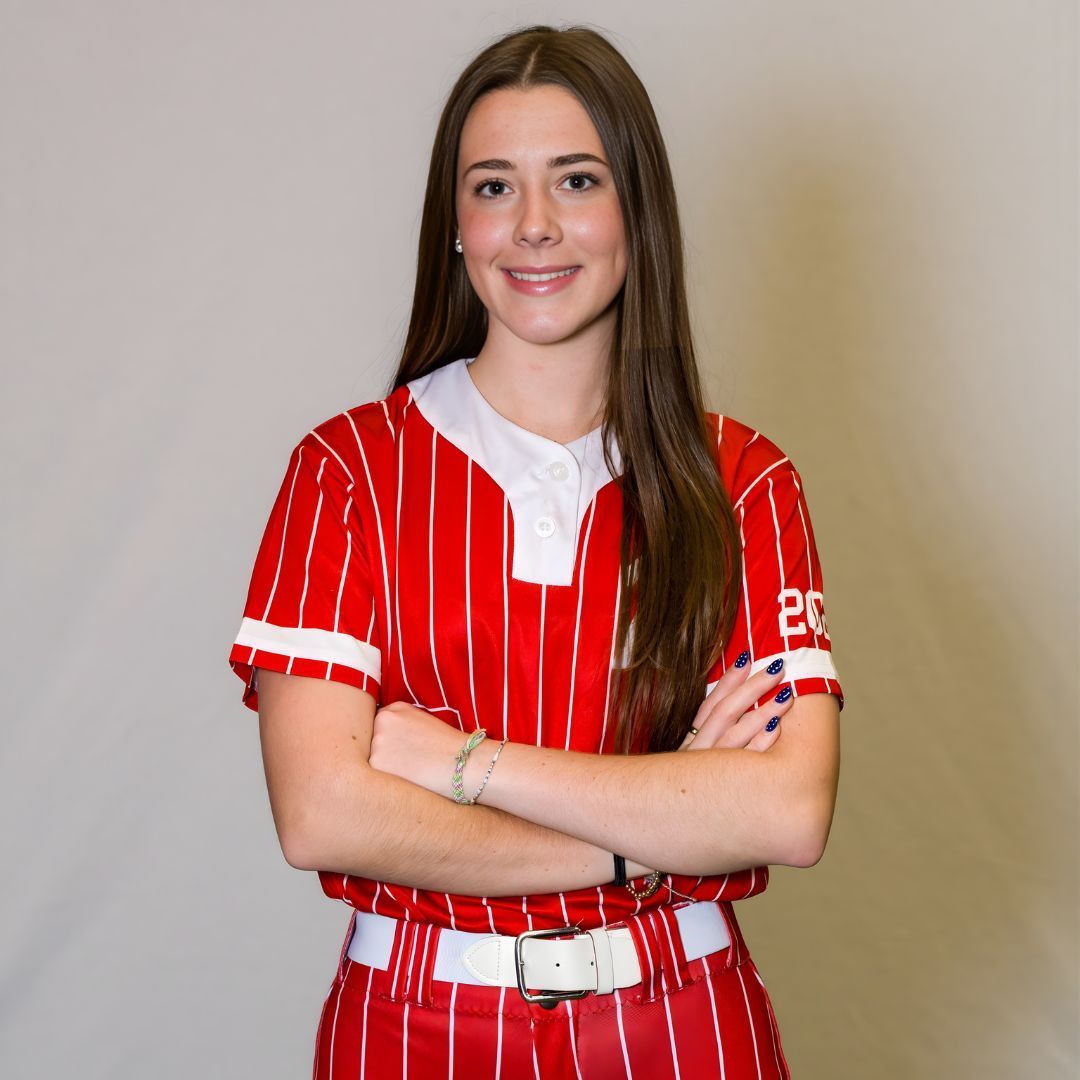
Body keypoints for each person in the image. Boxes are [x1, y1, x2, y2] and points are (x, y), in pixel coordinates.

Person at [227, 23, 843, 1079]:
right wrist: (651, 830)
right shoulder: (346, 472)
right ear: (455, 225)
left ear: (635, 212)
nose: (537, 227)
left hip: (683, 1017)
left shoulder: (745, 480)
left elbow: (785, 810)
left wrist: (465, 765)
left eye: (577, 179)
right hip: (414, 1023)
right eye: (495, 187)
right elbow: (324, 813)